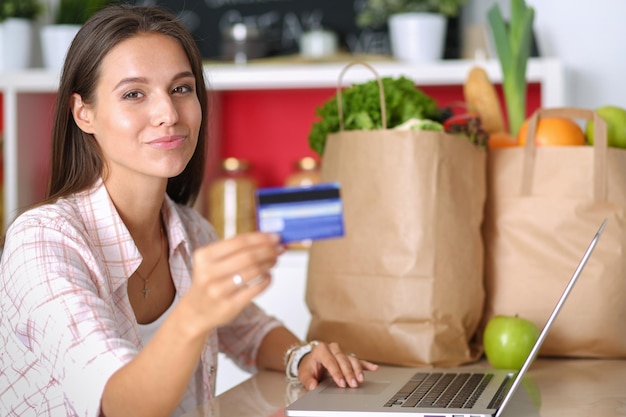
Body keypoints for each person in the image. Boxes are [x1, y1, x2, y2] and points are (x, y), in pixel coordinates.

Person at [0, 5, 377, 417]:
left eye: (181, 88)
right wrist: (195, 312)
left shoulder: (191, 230)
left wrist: (301, 356)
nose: (169, 114)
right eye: (133, 94)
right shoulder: (42, 241)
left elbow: (250, 331)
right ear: (83, 113)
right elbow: (119, 405)